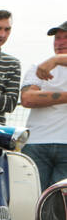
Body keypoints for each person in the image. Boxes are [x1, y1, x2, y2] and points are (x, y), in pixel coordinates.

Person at [19, 21, 67, 191]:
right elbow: (28, 98)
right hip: (36, 142)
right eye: (57, 38)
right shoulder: (38, 67)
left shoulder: (48, 64)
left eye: (65, 38)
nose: (60, 42)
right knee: (32, 199)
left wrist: (57, 59)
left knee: (60, 207)